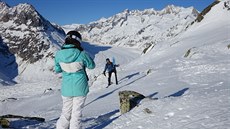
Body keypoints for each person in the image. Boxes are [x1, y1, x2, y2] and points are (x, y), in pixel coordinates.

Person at [54, 30, 95, 129]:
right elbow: (92, 66)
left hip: (66, 87)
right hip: (80, 87)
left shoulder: (58, 54)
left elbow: (57, 69)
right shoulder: (82, 54)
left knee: (65, 113)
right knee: (76, 114)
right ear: (78, 41)